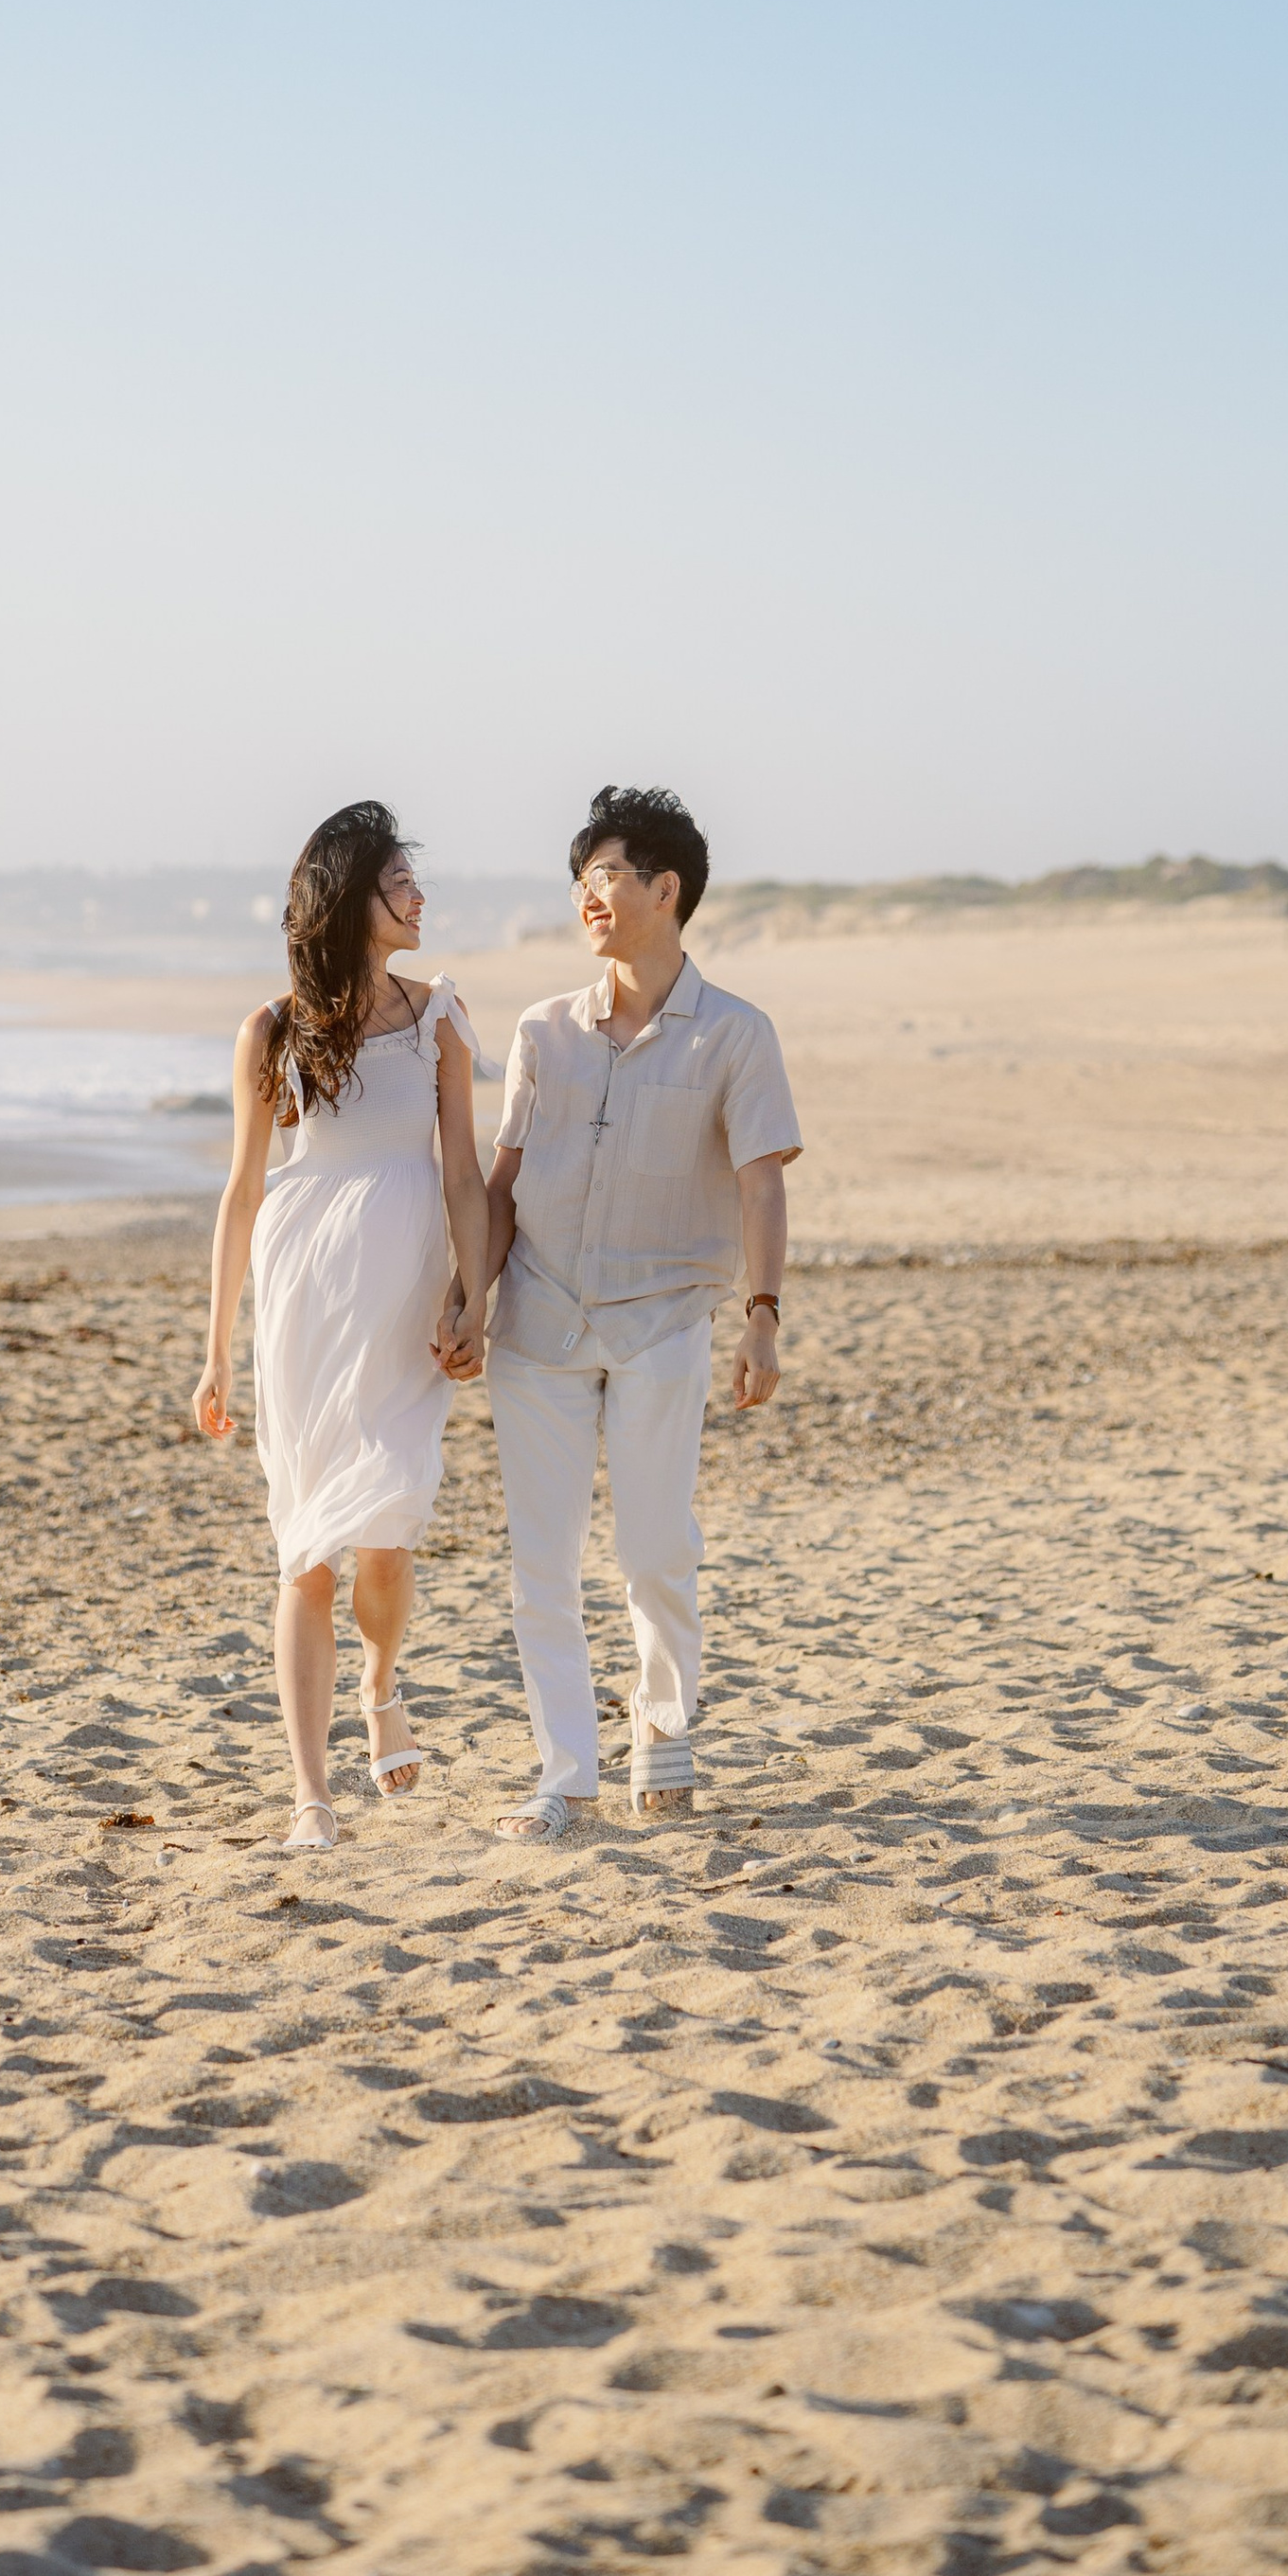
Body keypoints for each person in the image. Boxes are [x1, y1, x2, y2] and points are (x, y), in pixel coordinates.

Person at [454, 783, 800, 1839]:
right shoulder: (543, 1030)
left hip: (662, 1319)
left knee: (654, 1549)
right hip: (538, 1321)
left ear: (665, 889)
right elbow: (505, 1180)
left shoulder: (735, 1034)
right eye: (579, 880)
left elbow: (761, 1182)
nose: (587, 896)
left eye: (605, 874)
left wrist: (762, 1313)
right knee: (541, 1563)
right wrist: (469, 1296)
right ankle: (565, 1776)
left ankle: (663, 1727)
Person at [194, 801, 490, 1852]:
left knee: (390, 1529)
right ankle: (310, 1794)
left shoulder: (440, 1018)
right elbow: (242, 1194)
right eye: (398, 882)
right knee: (307, 1548)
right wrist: (215, 1351)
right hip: (305, 1297)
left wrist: (475, 1294)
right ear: (350, 900)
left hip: (405, 1298)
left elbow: (463, 1175)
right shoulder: (271, 1031)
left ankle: (379, 1679)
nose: (418, 896)